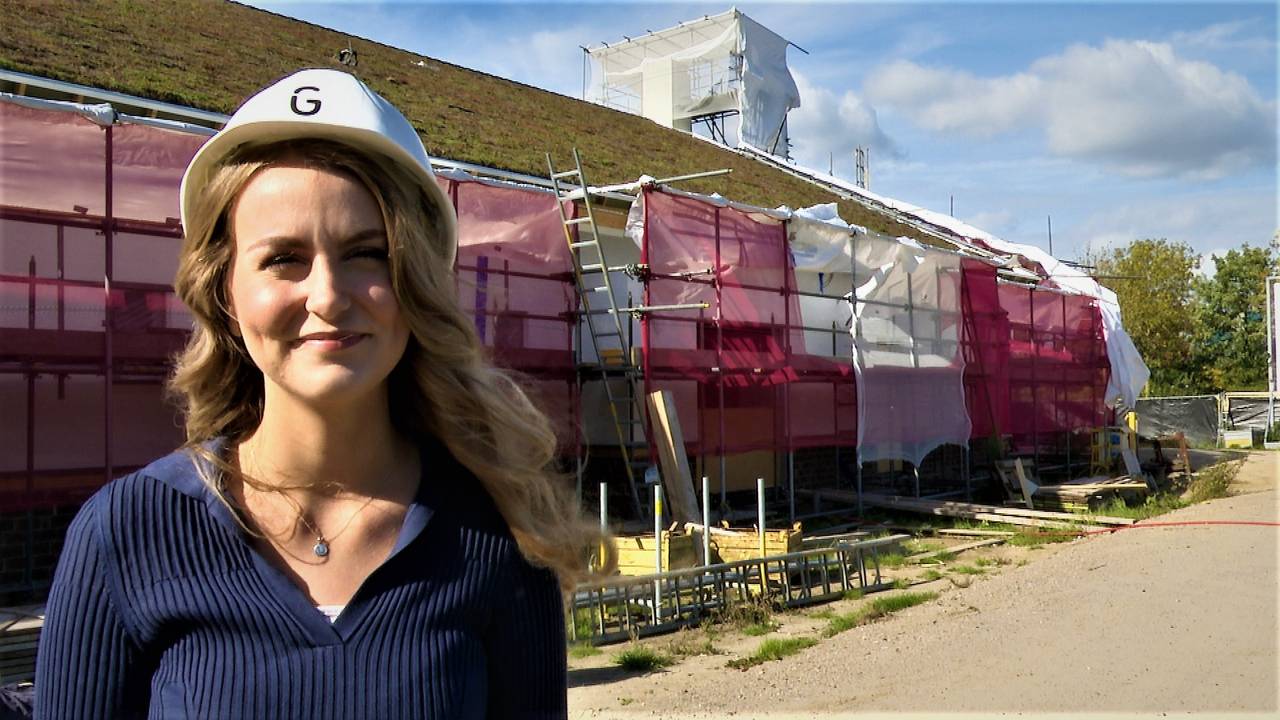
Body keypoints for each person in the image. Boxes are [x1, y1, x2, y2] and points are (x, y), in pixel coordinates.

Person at [35, 68, 610, 719]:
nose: (329, 296)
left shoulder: (500, 538)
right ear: (227, 292)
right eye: (283, 258)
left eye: (367, 252)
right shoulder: (124, 534)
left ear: (416, 280)